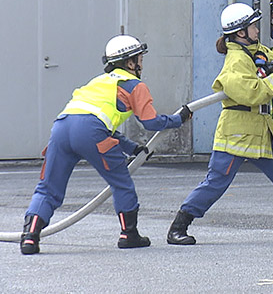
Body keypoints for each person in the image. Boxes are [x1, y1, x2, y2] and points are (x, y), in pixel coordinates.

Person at [166, 3, 273, 245]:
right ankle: (179, 226)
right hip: (237, 132)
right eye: (252, 26)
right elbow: (255, 93)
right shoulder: (235, 61)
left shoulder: (254, 50)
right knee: (216, 182)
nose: (257, 29)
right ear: (241, 32)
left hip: (261, 129)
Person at [20, 35, 191, 254]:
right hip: (90, 131)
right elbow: (151, 122)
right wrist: (180, 119)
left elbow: (91, 122)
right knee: (121, 183)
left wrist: (132, 148)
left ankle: (29, 237)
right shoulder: (134, 85)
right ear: (130, 63)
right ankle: (128, 235)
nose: (141, 63)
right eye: (139, 58)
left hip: (62, 128)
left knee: (47, 188)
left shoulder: (98, 82)